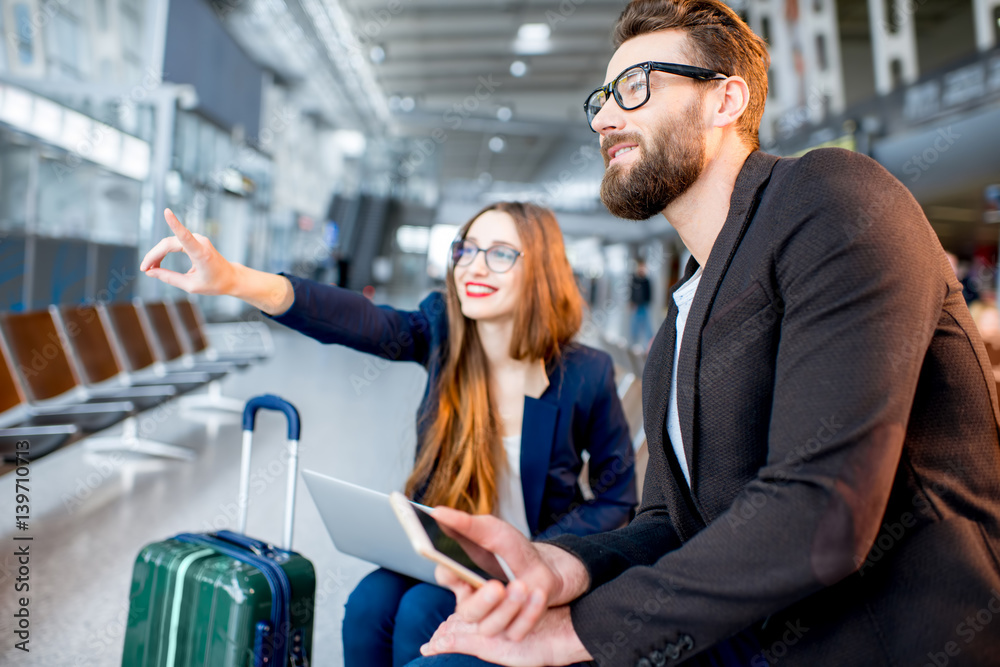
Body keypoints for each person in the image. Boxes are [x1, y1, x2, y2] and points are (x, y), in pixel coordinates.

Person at [407, 1, 1000, 666]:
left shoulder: (832, 196)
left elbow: (820, 515)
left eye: (635, 87)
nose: (604, 118)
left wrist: (578, 630)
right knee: (427, 623)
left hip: (888, 641)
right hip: (748, 637)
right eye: (602, 98)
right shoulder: (680, 322)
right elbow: (669, 523)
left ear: (725, 100)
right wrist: (559, 562)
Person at [139, 201, 637, 667]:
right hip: (448, 549)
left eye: (501, 254)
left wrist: (538, 555)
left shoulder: (585, 373)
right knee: (366, 606)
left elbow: (617, 499)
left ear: (541, 270)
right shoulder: (444, 330)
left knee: (421, 613)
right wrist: (233, 279)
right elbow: (359, 320)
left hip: (524, 560)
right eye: (466, 249)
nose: (475, 266)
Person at [628, 258, 653, 347]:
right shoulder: (634, 279)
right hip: (636, 305)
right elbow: (632, 292)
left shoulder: (646, 280)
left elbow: (649, 293)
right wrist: (632, 302)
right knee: (635, 325)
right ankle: (633, 343)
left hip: (644, 305)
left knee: (646, 326)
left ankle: (647, 344)